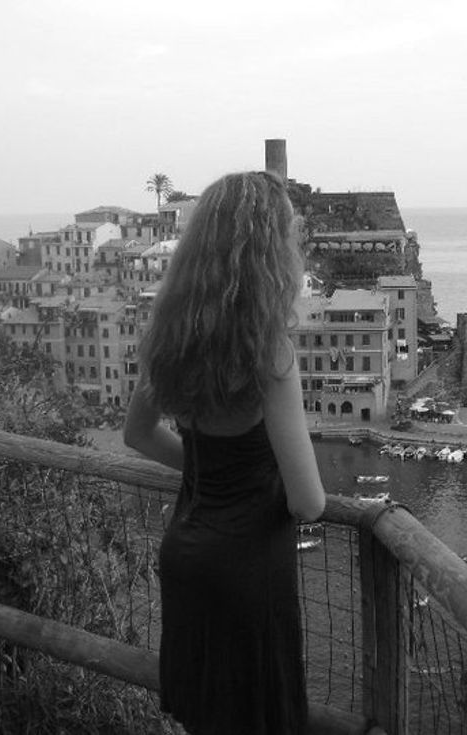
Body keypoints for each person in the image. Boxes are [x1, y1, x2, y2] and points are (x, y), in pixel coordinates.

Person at [124, 171, 325, 734]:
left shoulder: (169, 336)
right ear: (271, 253)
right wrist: (253, 477)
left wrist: (212, 471)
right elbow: (308, 502)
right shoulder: (270, 354)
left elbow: (138, 434)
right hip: (247, 572)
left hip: (185, 555)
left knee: (205, 716)